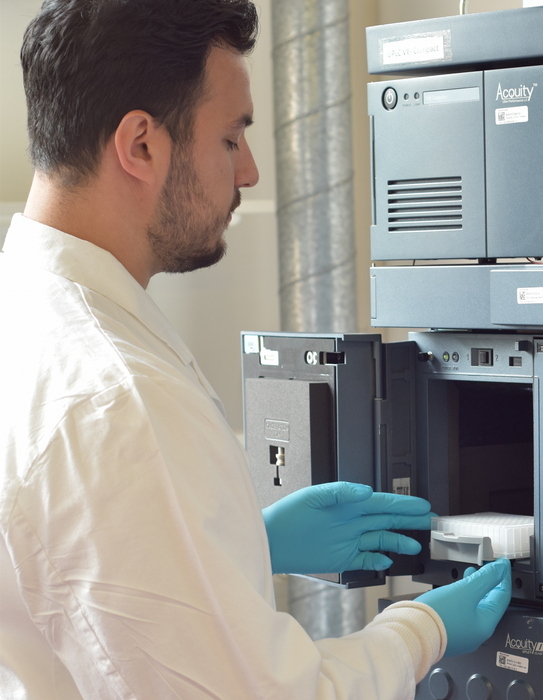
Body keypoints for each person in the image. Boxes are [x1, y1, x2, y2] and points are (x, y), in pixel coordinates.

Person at [0, 0, 512, 698]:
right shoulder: (119, 400)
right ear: (141, 145)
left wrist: (243, 544)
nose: (250, 174)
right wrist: (421, 631)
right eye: (232, 138)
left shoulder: (27, 312)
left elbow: (54, 578)